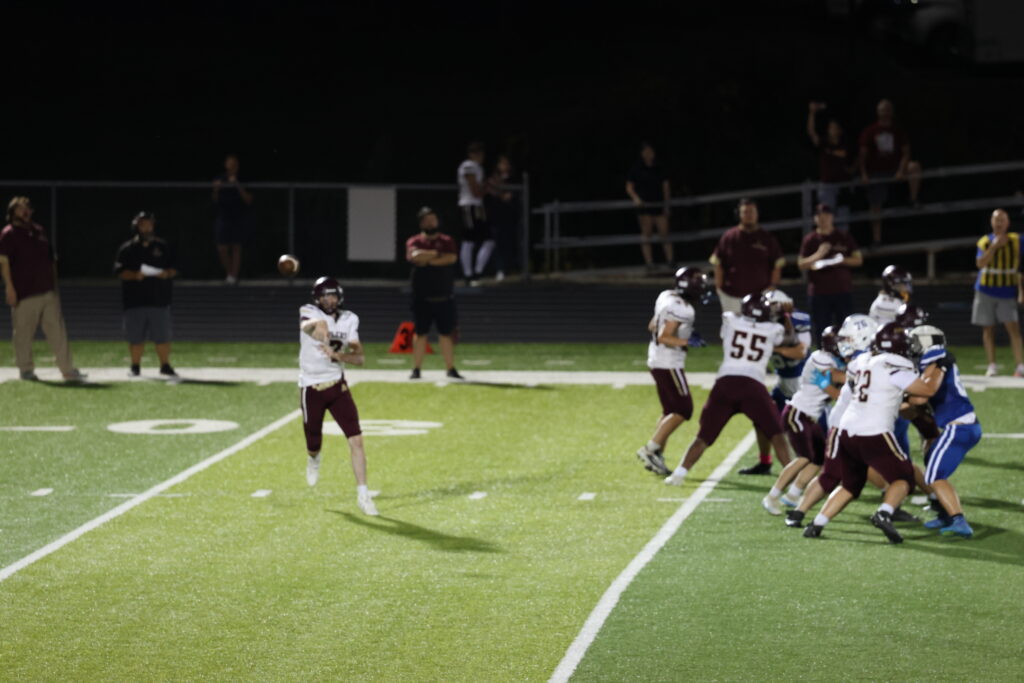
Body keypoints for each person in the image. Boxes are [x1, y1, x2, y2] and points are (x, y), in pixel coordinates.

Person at [802, 323, 942, 543]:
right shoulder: (896, 365)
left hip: (847, 430)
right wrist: (938, 366)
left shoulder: (862, 360)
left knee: (850, 485)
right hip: (874, 430)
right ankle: (884, 513)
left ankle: (817, 523)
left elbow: (858, 385)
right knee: (904, 478)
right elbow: (926, 392)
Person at [664, 292, 806, 487]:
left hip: (725, 383)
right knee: (776, 433)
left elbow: (737, 320)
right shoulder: (773, 329)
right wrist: (785, 317)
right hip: (753, 385)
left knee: (704, 436)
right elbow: (789, 339)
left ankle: (679, 473)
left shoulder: (731, 321)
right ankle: (793, 481)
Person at [299, 276, 378, 516]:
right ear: (317, 298)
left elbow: (359, 359)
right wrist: (323, 331)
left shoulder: (349, 319)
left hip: (337, 385)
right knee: (313, 442)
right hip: (311, 386)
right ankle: (314, 458)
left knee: (356, 439)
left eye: (333, 295)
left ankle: (363, 495)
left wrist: (338, 356)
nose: (329, 300)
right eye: (325, 296)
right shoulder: (308, 311)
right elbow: (308, 326)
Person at [906, 325, 981, 537]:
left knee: (934, 476)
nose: (912, 346)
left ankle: (958, 520)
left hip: (958, 427)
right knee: (931, 461)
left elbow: (920, 398)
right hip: (962, 425)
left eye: (915, 341)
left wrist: (902, 394)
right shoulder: (936, 361)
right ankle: (945, 515)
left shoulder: (936, 359)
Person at [761, 326, 845, 515]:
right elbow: (836, 388)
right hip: (797, 413)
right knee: (804, 457)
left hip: (809, 416)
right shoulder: (821, 358)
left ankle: (792, 495)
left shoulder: (833, 359)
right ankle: (772, 496)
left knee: (819, 458)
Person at [0, 196, 85, 382]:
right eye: (20, 208)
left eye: (27, 208)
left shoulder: (38, 230)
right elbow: (4, 262)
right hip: (24, 292)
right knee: (23, 334)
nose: (25, 211)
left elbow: (51, 259)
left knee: (58, 332)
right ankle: (26, 369)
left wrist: (54, 286)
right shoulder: (8, 233)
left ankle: (67, 369)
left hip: (47, 290)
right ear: (12, 212)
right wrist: (9, 288)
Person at [636, 267, 711, 476]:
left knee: (670, 410)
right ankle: (650, 449)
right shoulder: (683, 309)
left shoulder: (666, 296)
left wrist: (683, 333)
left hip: (656, 359)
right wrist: (687, 341)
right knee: (684, 410)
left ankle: (657, 454)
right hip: (669, 363)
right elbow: (663, 336)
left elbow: (652, 325)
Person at [739, 289, 812, 475]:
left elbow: (800, 352)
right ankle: (765, 462)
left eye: (771, 307)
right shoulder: (764, 323)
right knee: (761, 420)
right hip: (783, 381)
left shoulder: (798, 320)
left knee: (803, 428)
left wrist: (773, 348)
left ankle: (817, 466)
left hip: (801, 384)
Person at [113, 211, 178, 378]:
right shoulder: (127, 248)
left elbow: (174, 268)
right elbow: (119, 272)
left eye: (149, 224)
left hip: (159, 299)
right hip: (135, 300)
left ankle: (165, 365)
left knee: (162, 336)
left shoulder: (163, 246)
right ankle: (135, 366)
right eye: (143, 225)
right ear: (136, 227)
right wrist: (135, 275)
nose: (147, 228)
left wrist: (166, 273)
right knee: (135, 337)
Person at [406, 207, 463, 380]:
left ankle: (450, 368)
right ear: (421, 223)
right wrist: (438, 255)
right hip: (421, 297)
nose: (431, 223)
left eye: (433, 219)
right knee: (420, 333)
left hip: (444, 296)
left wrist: (428, 260)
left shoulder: (446, 240)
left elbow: (451, 258)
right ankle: (416, 369)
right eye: (427, 220)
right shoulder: (415, 240)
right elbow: (414, 256)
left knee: (446, 333)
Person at [858, 99, 922, 246]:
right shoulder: (870, 131)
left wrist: (901, 170)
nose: (885, 113)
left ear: (892, 112)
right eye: (882, 110)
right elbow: (862, 155)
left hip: (895, 169)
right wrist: (864, 174)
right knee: (875, 205)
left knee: (914, 167)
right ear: (877, 112)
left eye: (887, 109)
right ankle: (877, 239)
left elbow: (906, 153)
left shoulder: (897, 131)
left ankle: (913, 199)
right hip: (876, 172)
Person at [798, 204, 863, 344]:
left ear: (832, 217)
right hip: (819, 293)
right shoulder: (810, 239)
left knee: (846, 328)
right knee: (821, 330)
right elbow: (801, 264)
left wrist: (841, 260)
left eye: (826, 215)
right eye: (819, 215)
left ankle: (847, 354)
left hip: (842, 290)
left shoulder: (843, 236)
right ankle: (823, 354)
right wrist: (818, 254)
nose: (823, 218)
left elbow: (858, 260)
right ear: (815, 218)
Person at [709, 198, 784, 315]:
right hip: (732, 297)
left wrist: (772, 287)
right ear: (739, 214)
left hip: (760, 297)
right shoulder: (729, 237)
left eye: (752, 212)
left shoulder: (767, 238)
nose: (749, 215)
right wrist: (719, 288)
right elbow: (717, 263)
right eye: (745, 212)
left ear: (757, 214)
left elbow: (777, 264)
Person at [972, 208, 1024, 377]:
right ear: (991, 222)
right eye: (996, 220)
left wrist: (1021, 291)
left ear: (1008, 223)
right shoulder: (984, 242)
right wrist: (994, 247)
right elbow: (980, 264)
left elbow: (1021, 268)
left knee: (1013, 329)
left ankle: (1020, 366)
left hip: (1007, 291)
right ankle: (991, 365)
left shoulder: (1017, 241)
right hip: (985, 290)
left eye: (1002, 220)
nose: (999, 223)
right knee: (988, 329)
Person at [625, 142, 673, 269]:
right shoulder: (636, 169)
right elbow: (629, 187)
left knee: (665, 233)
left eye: (650, 151)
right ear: (641, 154)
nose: (648, 154)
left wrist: (667, 205)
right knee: (647, 234)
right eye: (645, 151)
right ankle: (649, 263)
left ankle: (670, 261)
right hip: (644, 206)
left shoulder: (659, 167)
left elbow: (666, 187)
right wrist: (636, 198)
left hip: (659, 204)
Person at [212, 153, 253, 285]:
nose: (232, 166)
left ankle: (234, 276)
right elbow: (214, 199)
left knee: (236, 247)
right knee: (222, 248)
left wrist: (237, 185)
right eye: (229, 163)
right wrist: (216, 189)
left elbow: (248, 199)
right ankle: (229, 273)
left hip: (238, 216)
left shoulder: (242, 179)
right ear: (226, 165)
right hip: (223, 216)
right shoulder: (220, 178)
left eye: (234, 164)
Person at [806, 102, 854, 214]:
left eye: (835, 128)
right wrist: (812, 113)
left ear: (840, 130)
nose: (833, 130)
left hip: (843, 185)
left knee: (843, 217)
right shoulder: (824, 143)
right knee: (825, 216)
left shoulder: (845, 143)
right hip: (827, 186)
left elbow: (856, 157)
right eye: (831, 128)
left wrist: (852, 169)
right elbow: (811, 133)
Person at [457, 141, 493, 286]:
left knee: (489, 240)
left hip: (477, 206)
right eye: (478, 153)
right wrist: (486, 187)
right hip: (468, 205)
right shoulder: (468, 165)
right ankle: (468, 275)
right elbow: (476, 191)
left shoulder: (478, 167)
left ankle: (477, 273)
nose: (481, 157)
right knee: (469, 241)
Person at [484, 154, 520, 281]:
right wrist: (499, 194)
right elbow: (492, 193)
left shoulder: (513, 179)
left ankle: (511, 268)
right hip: (496, 217)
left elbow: (511, 196)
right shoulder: (493, 178)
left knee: (509, 243)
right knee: (496, 243)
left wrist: (502, 194)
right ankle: (499, 269)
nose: (504, 166)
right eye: (502, 163)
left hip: (510, 217)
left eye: (506, 163)